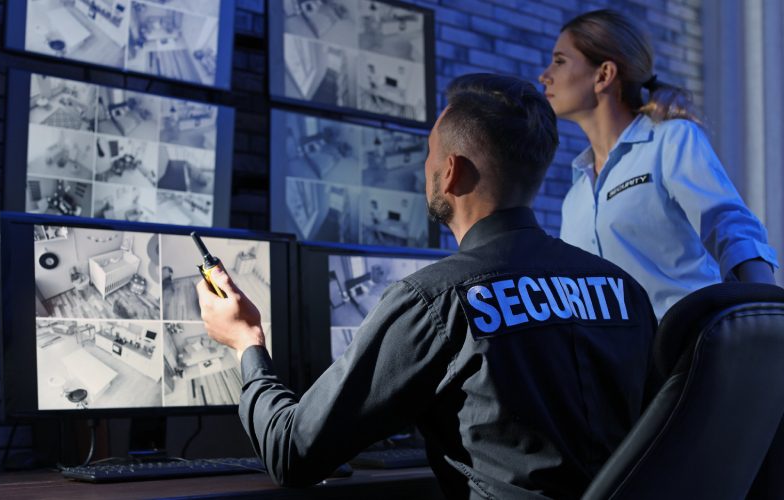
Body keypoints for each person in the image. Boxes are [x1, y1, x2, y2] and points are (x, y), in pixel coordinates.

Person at [197, 74, 658, 499]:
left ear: (451, 171)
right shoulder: (624, 291)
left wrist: (245, 342)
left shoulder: (436, 300)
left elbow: (291, 452)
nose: (425, 168)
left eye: (430, 154)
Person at [538, 9, 778, 320]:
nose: (544, 75)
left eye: (559, 60)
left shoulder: (671, 141)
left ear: (604, 74)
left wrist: (769, 319)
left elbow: (731, 227)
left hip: (689, 356)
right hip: (615, 364)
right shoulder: (576, 196)